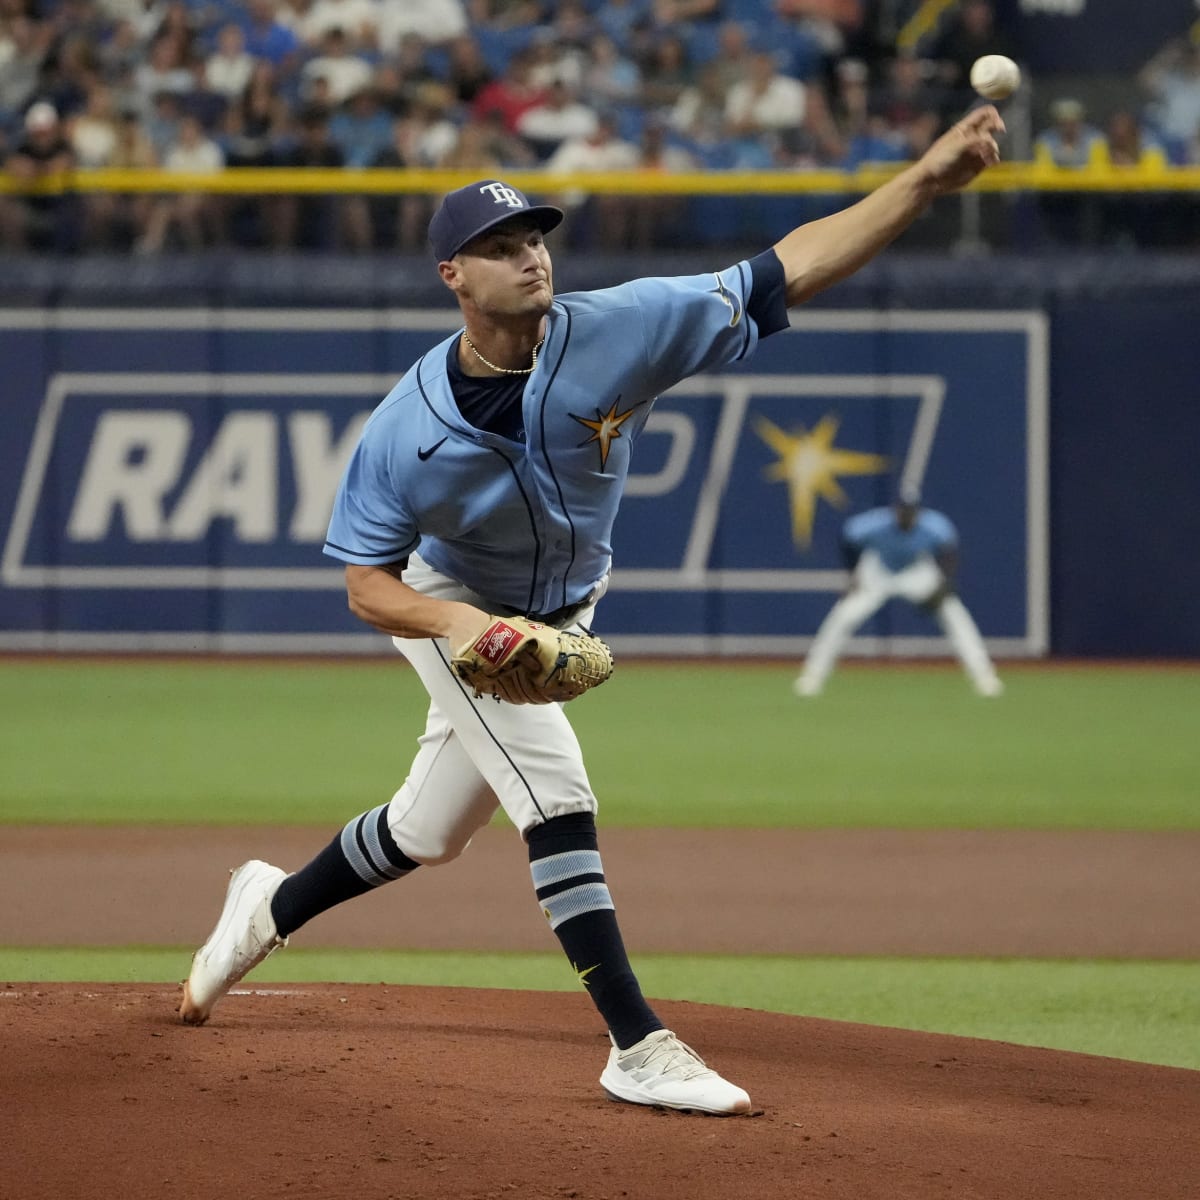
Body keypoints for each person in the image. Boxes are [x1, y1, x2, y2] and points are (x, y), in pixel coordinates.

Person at [179, 103, 1007, 1115]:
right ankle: (637, 1043)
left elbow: (785, 268)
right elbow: (366, 582)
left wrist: (922, 179)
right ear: (453, 277)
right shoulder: (404, 431)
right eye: (500, 246)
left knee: (425, 830)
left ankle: (269, 903)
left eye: (535, 237)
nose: (530, 257)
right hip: (456, 605)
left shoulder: (617, 329)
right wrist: (459, 629)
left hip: (564, 608)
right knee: (555, 792)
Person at [794, 487, 1003, 698]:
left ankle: (984, 676)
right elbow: (848, 540)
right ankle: (812, 676)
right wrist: (853, 576)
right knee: (844, 616)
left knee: (954, 614)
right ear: (895, 510)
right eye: (903, 510)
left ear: (918, 512)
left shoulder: (934, 526)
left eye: (911, 511)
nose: (906, 515)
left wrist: (943, 582)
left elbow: (948, 551)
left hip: (916, 571)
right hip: (878, 571)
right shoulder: (873, 524)